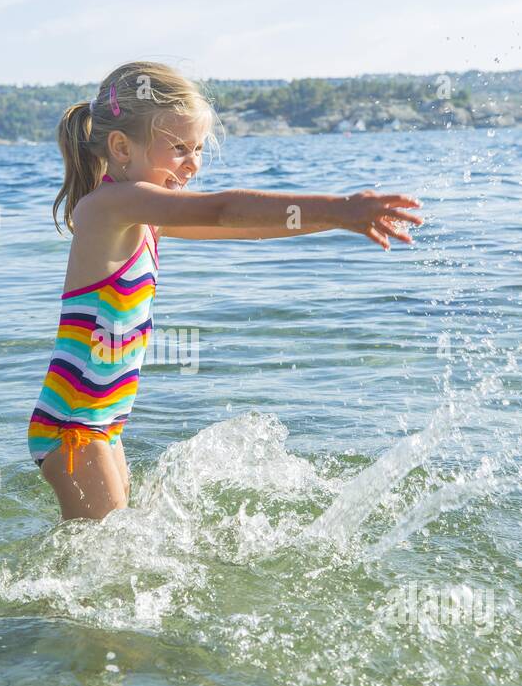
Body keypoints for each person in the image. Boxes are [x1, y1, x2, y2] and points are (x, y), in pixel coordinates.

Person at [28, 61, 422, 521]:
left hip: (99, 424)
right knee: (99, 566)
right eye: (178, 149)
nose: (192, 163)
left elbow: (243, 227)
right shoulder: (112, 205)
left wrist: (335, 220)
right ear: (120, 147)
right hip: (76, 427)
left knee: (107, 552)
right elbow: (223, 209)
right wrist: (342, 206)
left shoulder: (142, 215)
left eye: (197, 149)